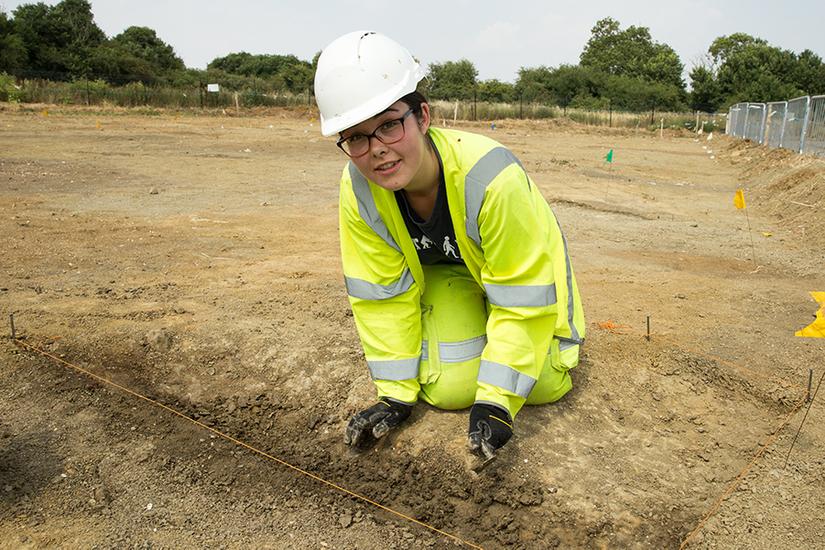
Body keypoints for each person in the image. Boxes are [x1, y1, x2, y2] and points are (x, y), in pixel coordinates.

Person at [313, 31, 585, 461]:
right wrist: (395, 396)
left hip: (521, 279)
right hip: (453, 277)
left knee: (546, 382)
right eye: (357, 138)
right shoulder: (360, 189)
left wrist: (497, 400)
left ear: (422, 116)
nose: (377, 151)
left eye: (388, 125)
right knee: (449, 389)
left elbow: (522, 294)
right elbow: (380, 294)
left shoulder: (491, 179)